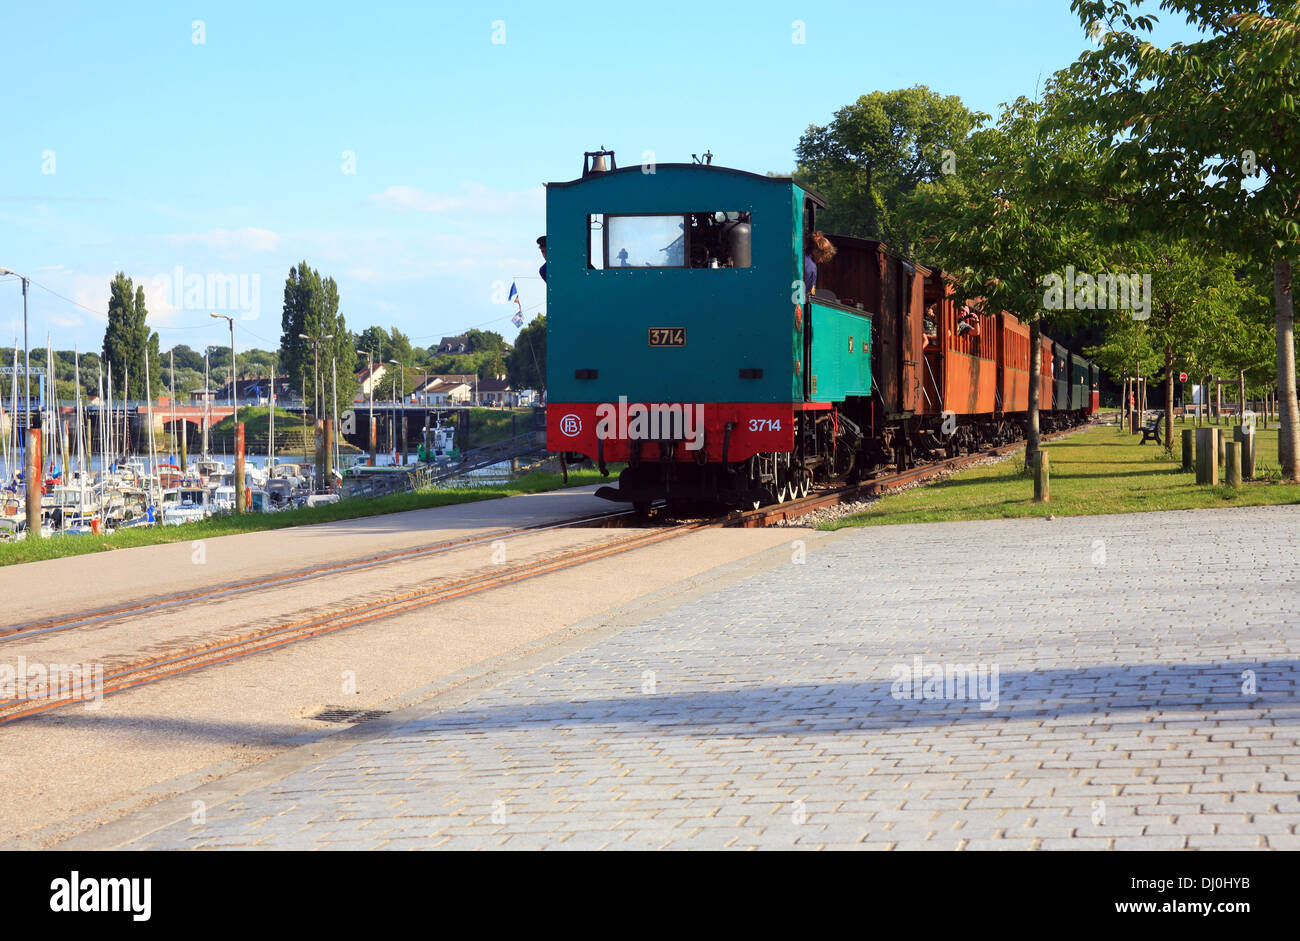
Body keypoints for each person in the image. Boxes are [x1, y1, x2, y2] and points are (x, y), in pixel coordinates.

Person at [803, 231, 836, 299]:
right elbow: (809, 295)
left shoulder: (801, 255)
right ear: (816, 251)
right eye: (822, 257)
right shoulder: (811, 268)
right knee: (831, 296)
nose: (821, 261)